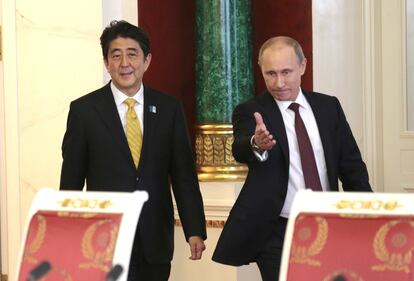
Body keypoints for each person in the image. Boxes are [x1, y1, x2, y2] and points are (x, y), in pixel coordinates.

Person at [212, 36, 372, 281]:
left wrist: (366, 217)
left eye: (286, 72)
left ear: (303, 66)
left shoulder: (328, 107)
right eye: (270, 74)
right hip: (277, 230)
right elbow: (239, 148)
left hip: (329, 223)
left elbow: (351, 166)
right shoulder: (251, 111)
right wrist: (256, 143)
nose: (279, 82)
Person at [60, 20, 206, 281]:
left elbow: (183, 174)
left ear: (146, 60)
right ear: (107, 63)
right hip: (103, 238)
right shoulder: (84, 111)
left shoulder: (169, 108)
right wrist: (69, 233)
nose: (124, 63)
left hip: (155, 239)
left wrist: (194, 229)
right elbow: (71, 180)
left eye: (132, 54)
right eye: (116, 55)